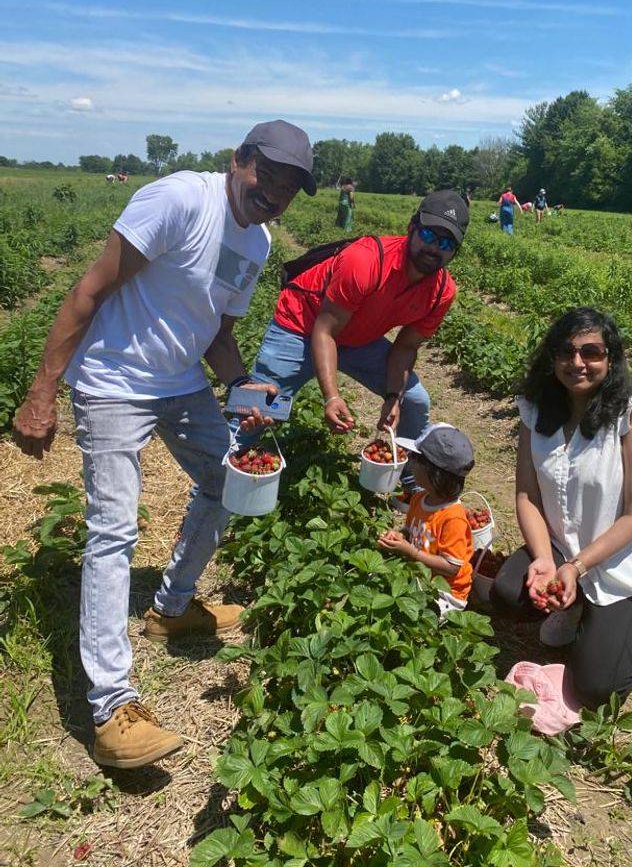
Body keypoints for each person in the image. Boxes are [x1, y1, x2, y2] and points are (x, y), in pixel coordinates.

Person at [11, 119, 317, 769]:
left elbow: (215, 331)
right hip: (114, 381)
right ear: (239, 159)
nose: (275, 192)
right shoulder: (180, 200)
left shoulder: (256, 243)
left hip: (181, 384)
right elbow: (88, 290)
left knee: (229, 479)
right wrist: (42, 391)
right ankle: (111, 706)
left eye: (290, 187)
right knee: (114, 529)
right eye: (269, 174)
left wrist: (241, 384)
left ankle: (172, 607)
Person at [491, 307, 632, 712]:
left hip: (623, 564)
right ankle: (576, 608)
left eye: (591, 352)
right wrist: (544, 559)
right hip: (561, 545)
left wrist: (575, 567)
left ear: (611, 359)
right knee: (509, 594)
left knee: (597, 689)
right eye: (565, 351)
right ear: (552, 358)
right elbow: (527, 495)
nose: (577, 362)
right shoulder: (537, 412)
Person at [248, 189, 469, 494]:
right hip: (301, 325)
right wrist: (331, 397)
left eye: (447, 243)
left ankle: (410, 484)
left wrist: (393, 396)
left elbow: (405, 347)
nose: (435, 248)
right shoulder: (366, 260)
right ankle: (217, 483)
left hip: (358, 337)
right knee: (257, 409)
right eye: (429, 235)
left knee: (415, 401)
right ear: (411, 227)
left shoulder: (442, 291)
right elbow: (324, 331)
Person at [377, 423, 475, 616]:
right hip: (420, 575)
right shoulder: (419, 498)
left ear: (434, 473)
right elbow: (411, 529)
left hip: (446, 592)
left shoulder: (453, 518)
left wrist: (411, 552)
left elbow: (452, 567)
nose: (410, 461)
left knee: (409, 616)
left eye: (415, 458)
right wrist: (400, 535)